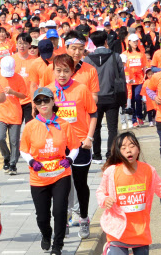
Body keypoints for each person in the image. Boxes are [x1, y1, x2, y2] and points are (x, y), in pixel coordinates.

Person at [21, 87, 78, 255]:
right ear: (35, 105)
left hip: (60, 174)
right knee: (42, 216)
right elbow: (23, 149)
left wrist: (69, 159)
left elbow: (75, 147)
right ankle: (46, 235)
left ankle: (57, 245)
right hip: (39, 177)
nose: (43, 104)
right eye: (38, 101)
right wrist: (31, 161)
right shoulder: (30, 126)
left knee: (59, 211)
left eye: (46, 100)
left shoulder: (64, 124)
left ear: (53, 102)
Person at [97, 131, 161, 255]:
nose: (128, 150)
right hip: (118, 229)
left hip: (140, 229)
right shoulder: (111, 172)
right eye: (124, 148)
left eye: (132, 146)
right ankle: (110, 250)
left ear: (138, 149)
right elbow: (100, 192)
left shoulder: (148, 170)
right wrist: (105, 200)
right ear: (118, 152)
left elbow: (160, 188)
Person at [48, 54, 98, 238]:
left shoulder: (82, 89)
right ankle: (63, 219)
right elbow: (42, 118)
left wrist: (89, 138)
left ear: (72, 71)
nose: (62, 74)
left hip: (80, 145)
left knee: (80, 184)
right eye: (58, 70)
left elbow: (93, 114)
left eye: (66, 70)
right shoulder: (48, 90)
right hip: (57, 147)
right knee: (60, 185)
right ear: (53, 70)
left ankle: (84, 218)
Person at [85, 30, 127, 162]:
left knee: (95, 127)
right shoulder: (116, 56)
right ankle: (111, 154)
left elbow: (85, 81)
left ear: (93, 43)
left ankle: (96, 155)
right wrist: (124, 99)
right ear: (105, 41)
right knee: (112, 128)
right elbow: (122, 78)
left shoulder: (87, 59)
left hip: (94, 98)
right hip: (112, 97)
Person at [0, 56, 27, 176]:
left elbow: (24, 95)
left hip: (15, 113)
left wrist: (13, 92)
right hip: (1, 113)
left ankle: (13, 164)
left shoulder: (18, 78)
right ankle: (6, 157)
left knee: (14, 141)